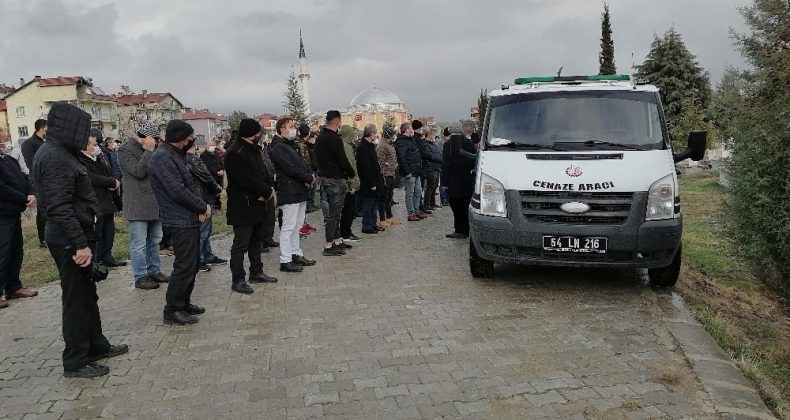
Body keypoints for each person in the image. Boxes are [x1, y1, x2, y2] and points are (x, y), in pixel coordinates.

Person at [32, 102, 127, 378]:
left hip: (77, 236)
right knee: (75, 300)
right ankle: (75, 361)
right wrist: (80, 244)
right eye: (83, 130)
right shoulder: (55, 157)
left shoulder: (63, 153)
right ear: (69, 128)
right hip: (69, 240)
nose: (87, 136)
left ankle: (96, 345)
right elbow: (59, 207)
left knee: (87, 295)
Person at [148, 120, 211, 325]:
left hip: (188, 216)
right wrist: (201, 207)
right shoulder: (163, 157)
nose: (192, 140)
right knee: (184, 265)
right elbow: (177, 191)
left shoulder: (177, 155)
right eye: (190, 136)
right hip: (178, 219)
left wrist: (200, 206)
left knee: (192, 264)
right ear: (181, 138)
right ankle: (173, 309)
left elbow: (190, 185)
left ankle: (184, 302)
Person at [224, 118, 278, 294]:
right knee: (241, 244)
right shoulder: (235, 152)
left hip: (258, 204)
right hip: (243, 206)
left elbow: (262, 172)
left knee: (256, 241)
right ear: (250, 135)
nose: (260, 136)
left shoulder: (253, 149)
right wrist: (265, 191)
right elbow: (245, 179)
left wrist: (268, 188)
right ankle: (238, 279)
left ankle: (257, 272)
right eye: (258, 134)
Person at [118, 121, 169, 290]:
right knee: (138, 244)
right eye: (154, 139)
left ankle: (154, 270)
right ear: (146, 138)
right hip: (137, 204)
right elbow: (138, 172)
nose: (156, 142)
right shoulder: (125, 150)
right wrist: (148, 151)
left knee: (154, 241)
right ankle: (140, 276)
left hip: (155, 203)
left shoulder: (155, 149)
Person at [269, 117, 317, 272]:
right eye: (291, 126)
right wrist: (307, 177)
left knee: (297, 225)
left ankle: (296, 254)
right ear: (282, 128)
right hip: (288, 191)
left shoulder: (291, 145)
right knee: (288, 227)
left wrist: (308, 177)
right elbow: (290, 168)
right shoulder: (278, 147)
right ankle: (285, 260)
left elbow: (301, 165)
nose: (294, 129)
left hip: (299, 190)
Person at [0, 128, 38, 309]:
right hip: (2, 214)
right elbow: (2, 188)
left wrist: (30, 192)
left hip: (13, 212)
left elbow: (24, 177)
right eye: (3, 140)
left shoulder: (8, 160)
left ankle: (13, 287)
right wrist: (23, 198)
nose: (6, 143)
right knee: (3, 252)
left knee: (16, 250)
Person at [78, 129, 124, 269]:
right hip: (95, 200)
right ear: (84, 146)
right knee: (98, 232)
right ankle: (98, 259)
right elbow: (92, 178)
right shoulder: (80, 160)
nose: (95, 147)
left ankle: (107, 256)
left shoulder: (97, 157)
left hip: (107, 200)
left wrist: (100, 159)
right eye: (92, 145)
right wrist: (111, 182)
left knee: (109, 231)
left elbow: (108, 171)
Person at [314, 111, 355, 256]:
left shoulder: (319, 138)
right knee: (334, 215)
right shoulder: (334, 139)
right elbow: (342, 159)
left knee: (335, 213)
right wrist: (351, 173)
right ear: (338, 121)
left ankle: (337, 241)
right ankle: (328, 245)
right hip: (336, 179)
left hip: (325, 178)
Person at [187, 144, 225, 272]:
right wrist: (217, 188)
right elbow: (206, 176)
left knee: (205, 231)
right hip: (201, 198)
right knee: (203, 232)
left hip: (198, 198)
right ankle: (200, 260)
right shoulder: (193, 159)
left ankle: (207, 255)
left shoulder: (182, 158)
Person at [442, 126, 478, 238]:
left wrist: (444, 182)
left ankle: (459, 230)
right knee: (466, 206)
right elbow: (474, 162)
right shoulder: (469, 143)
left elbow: (446, 165)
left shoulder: (448, 145)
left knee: (456, 206)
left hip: (454, 181)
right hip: (467, 180)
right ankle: (466, 229)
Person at [21, 119, 48, 248]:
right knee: (42, 211)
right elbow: (31, 164)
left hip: (50, 180)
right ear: (42, 129)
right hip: (39, 181)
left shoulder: (45, 142)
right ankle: (43, 239)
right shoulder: (29, 144)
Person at [395, 123, 427, 222]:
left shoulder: (411, 139)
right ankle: (411, 213)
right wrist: (407, 171)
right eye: (410, 128)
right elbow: (402, 157)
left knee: (417, 193)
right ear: (406, 129)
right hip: (409, 172)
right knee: (410, 194)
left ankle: (416, 211)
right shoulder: (401, 141)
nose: (412, 129)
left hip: (416, 171)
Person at [356, 124, 385, 234]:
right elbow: (365, 167)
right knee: (368, 205)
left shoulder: (370, 145)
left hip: (375, 180)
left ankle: (373, 224)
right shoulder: (362, 147)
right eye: (375, 132)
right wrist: (372, 183)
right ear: (370, 133)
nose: (376, 135)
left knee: (373, 204)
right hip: (368, 182)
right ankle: (367, 225)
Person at [338, 125, 361, 242]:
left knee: (349, 209)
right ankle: (345, 233)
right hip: (349, 184)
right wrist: (352, 184)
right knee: (349, 209)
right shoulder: (346, 147)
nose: (355, 137)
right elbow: (349, 166)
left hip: (349, 182)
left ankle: (345, 231)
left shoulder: (346, 145)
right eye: (353, 134)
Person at [294, 124, 318, 235]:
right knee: (303, 200)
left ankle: (303, 223)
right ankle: (301, 225)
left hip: (306, 174)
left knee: (304, 200)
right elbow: (303, 162)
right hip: (304, 176)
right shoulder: (300, 145)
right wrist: (307, 176)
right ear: (308, 133)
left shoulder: (302, 143)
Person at [376, 127, 398, 228]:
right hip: (386, 175)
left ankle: (389, 216)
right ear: (388, 135)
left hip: (391, 173)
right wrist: (385, 171)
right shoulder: (381, 146)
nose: (394, 136)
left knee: (389, 197)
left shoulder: (389, 144)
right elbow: (380, 162)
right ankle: (382, 218)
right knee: (383, 198)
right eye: (393, 134)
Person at [421, 129, 443, 211]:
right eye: (433, 136)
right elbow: (429, 156)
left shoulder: (433, 144)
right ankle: (427, 204)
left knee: (435, 186)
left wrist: (439, 158)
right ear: (429, 136)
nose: (434, 137)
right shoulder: (425, 144)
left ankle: (432, 203)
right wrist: (438, 158)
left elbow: (439, 153)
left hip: (436, 167)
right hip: (430, 168)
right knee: (430, 187)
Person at [305, 130, 320, 213]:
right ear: (310, 138)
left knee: (313, 188)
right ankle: (308, 205)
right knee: (310, 189)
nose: (315, 139)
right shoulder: (307, 147)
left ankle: (312, 203)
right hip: (310, 170)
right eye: (314, 138)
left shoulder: (313, 147)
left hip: (315, 169)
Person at [438, 128, 452, 206]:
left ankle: (447, 198)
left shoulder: (447, 142)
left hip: (447, 166)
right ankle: (443, 199)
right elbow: (441, 155)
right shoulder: (442, 143)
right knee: (443, 183)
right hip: (442, 166)